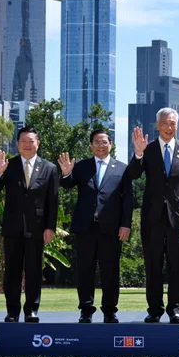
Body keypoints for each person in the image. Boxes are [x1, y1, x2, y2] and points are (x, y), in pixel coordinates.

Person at [128, 108, 179, 324]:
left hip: (178, 217)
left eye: (173, 124)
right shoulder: (147, 150)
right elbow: (133, 174)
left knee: (178, 265)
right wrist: (138, 154)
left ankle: (176, 308)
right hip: (152, 216)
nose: (169, 127)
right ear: (157, 125)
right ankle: (155, 309)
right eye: (165, 123)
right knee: (153, 264)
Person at [58, 130, 133, 323]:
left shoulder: (123, 168)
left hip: (112, 229)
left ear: (111, 144)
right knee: (85, 271)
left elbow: (128, 200)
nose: (101, 145)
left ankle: (110, 310)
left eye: (104, 142)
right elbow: (67, 185)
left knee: (110, 271)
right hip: (85, 228)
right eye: (97, 142)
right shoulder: (82, 167)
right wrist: (66, 174)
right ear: (91, 145)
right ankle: (86, 310)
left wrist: (126, 224)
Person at [0, 127, 59, 323]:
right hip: (12, 227)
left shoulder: (50, 168)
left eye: (31, 141)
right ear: (17, 144)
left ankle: (31, 310)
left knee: (35, 270)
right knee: (12, 271)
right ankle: (12, 311)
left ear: (38, 143)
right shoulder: (8, 165)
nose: (27, 145)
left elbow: (53, 201)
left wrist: (50, 227)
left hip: (37, 228)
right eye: (23, 142)